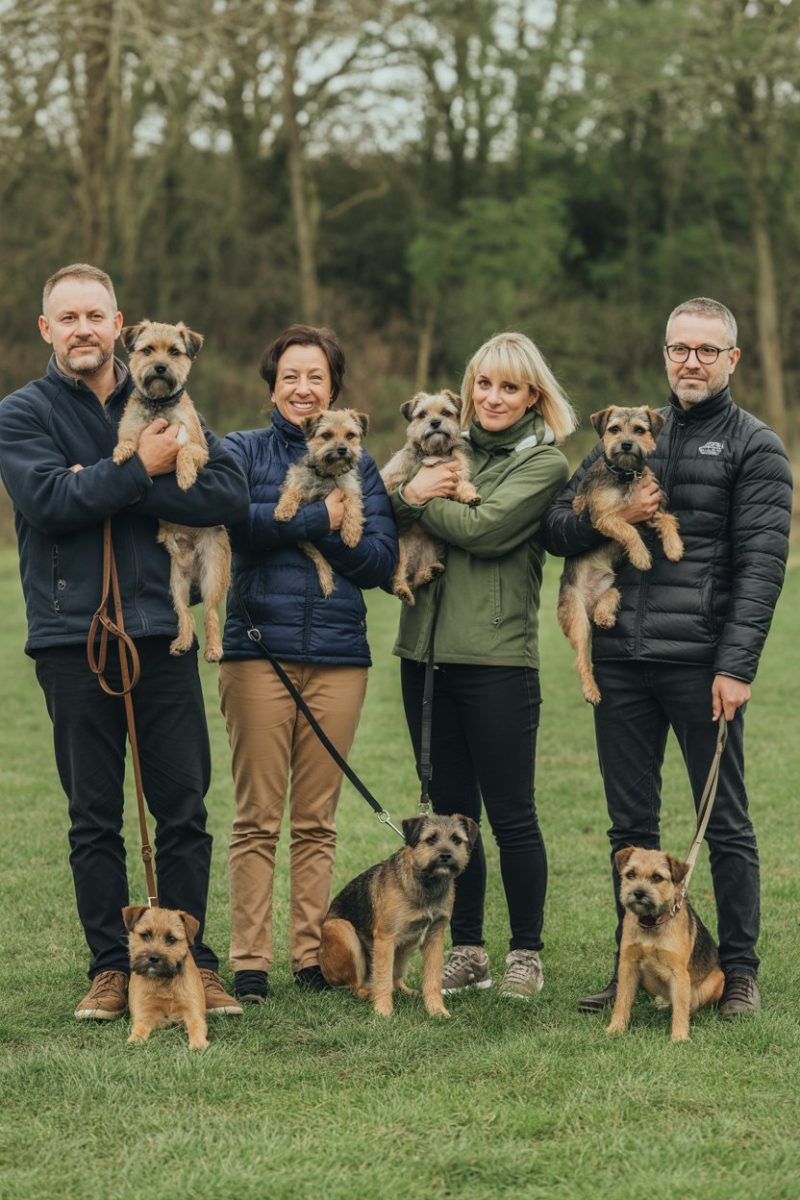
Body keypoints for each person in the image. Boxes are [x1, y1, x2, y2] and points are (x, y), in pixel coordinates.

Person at [0, 263, 250, 1020]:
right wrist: (146, 467)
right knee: (92, 814)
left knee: (183, 806)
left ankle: (193, 961)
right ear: (48, 330)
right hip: (71, 635)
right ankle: (113, 967)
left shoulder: (171, 396)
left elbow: (228, 494)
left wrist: (117, 476)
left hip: (163, 632)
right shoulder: (23, 413)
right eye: (66, 317)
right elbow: (50, 501)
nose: (82, 328)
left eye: (94, 316)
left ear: (121, 327)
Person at [541, 296, 792, 1017]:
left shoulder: (755, 445)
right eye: (680, 348)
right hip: (619, 660)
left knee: (728, 821)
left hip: (700, 662)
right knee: (630, 828)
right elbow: (559, 526)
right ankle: (633, 960)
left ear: (732, 359)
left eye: (706, 350)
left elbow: (763, 567)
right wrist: (626, 516)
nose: (691, 361)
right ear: (664, 355)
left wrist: (737, 664)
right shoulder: (630, 432)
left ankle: (738, 971)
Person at [391, 331, 577, 999]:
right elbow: (383, 509)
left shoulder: (544, 464)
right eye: (484, 384)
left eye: (509, 386)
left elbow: (482, 528)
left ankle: (526, 951)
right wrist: (409, 492)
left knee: (510, 814)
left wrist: (413, 495)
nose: (492, 397)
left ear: (533, 396)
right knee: (450, 816)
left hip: (498, 662)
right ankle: (465, 947)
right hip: (424, 659)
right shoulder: (447, 448)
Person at [219, 324, 398, 1002]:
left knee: (317, 820)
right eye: (291, 375)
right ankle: (250, 961)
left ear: (334, 393)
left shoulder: (365, 464)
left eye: (315, 377)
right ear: (273, 384)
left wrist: (323, 525)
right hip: (256, 651)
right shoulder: (241, 450)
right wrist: (321, 517)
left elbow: (379, 562)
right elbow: (243, 527)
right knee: (257, 816)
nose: (302, 387)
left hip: (338, 657)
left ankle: (309, 957)